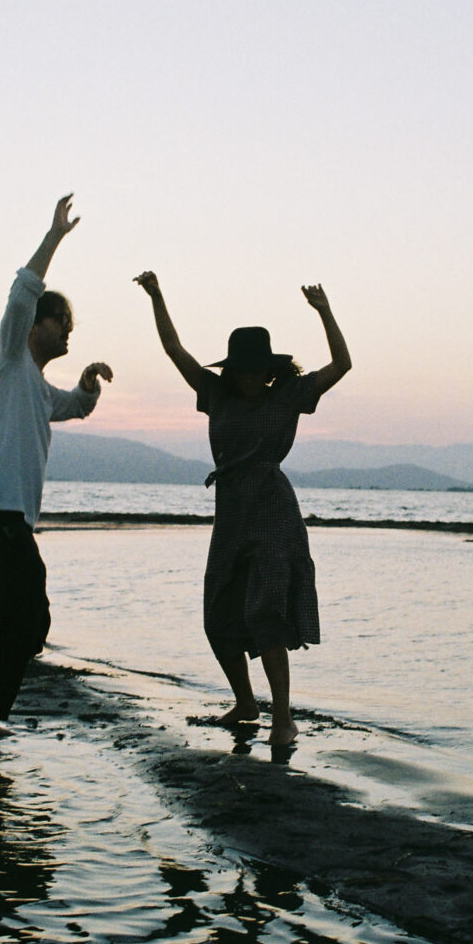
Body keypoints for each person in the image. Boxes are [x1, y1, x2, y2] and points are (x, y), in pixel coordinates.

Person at [134, 270, 351, 746]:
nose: (251, 377)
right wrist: (157, 295)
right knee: (218, 612)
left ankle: (283, 718)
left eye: (258, 369)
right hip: (231, 512)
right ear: (231, 369)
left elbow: (342, 364)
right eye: (243, 369)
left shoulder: (288, 395)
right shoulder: (216, 394)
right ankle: (246, 702)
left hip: (273, 510)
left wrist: (324, 311)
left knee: (266, 609)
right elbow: (176, 351)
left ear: (269, 370)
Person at [0, 195, 112, 758]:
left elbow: (72, 406)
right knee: (26, 618)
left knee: (28, 618)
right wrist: (55, 236)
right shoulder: (7, 359)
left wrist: (90, 383)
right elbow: (22, 290)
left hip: (5, 515)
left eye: (71, 325)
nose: (68, 332)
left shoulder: (37, 387)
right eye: (61, 322)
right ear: (36, 325)